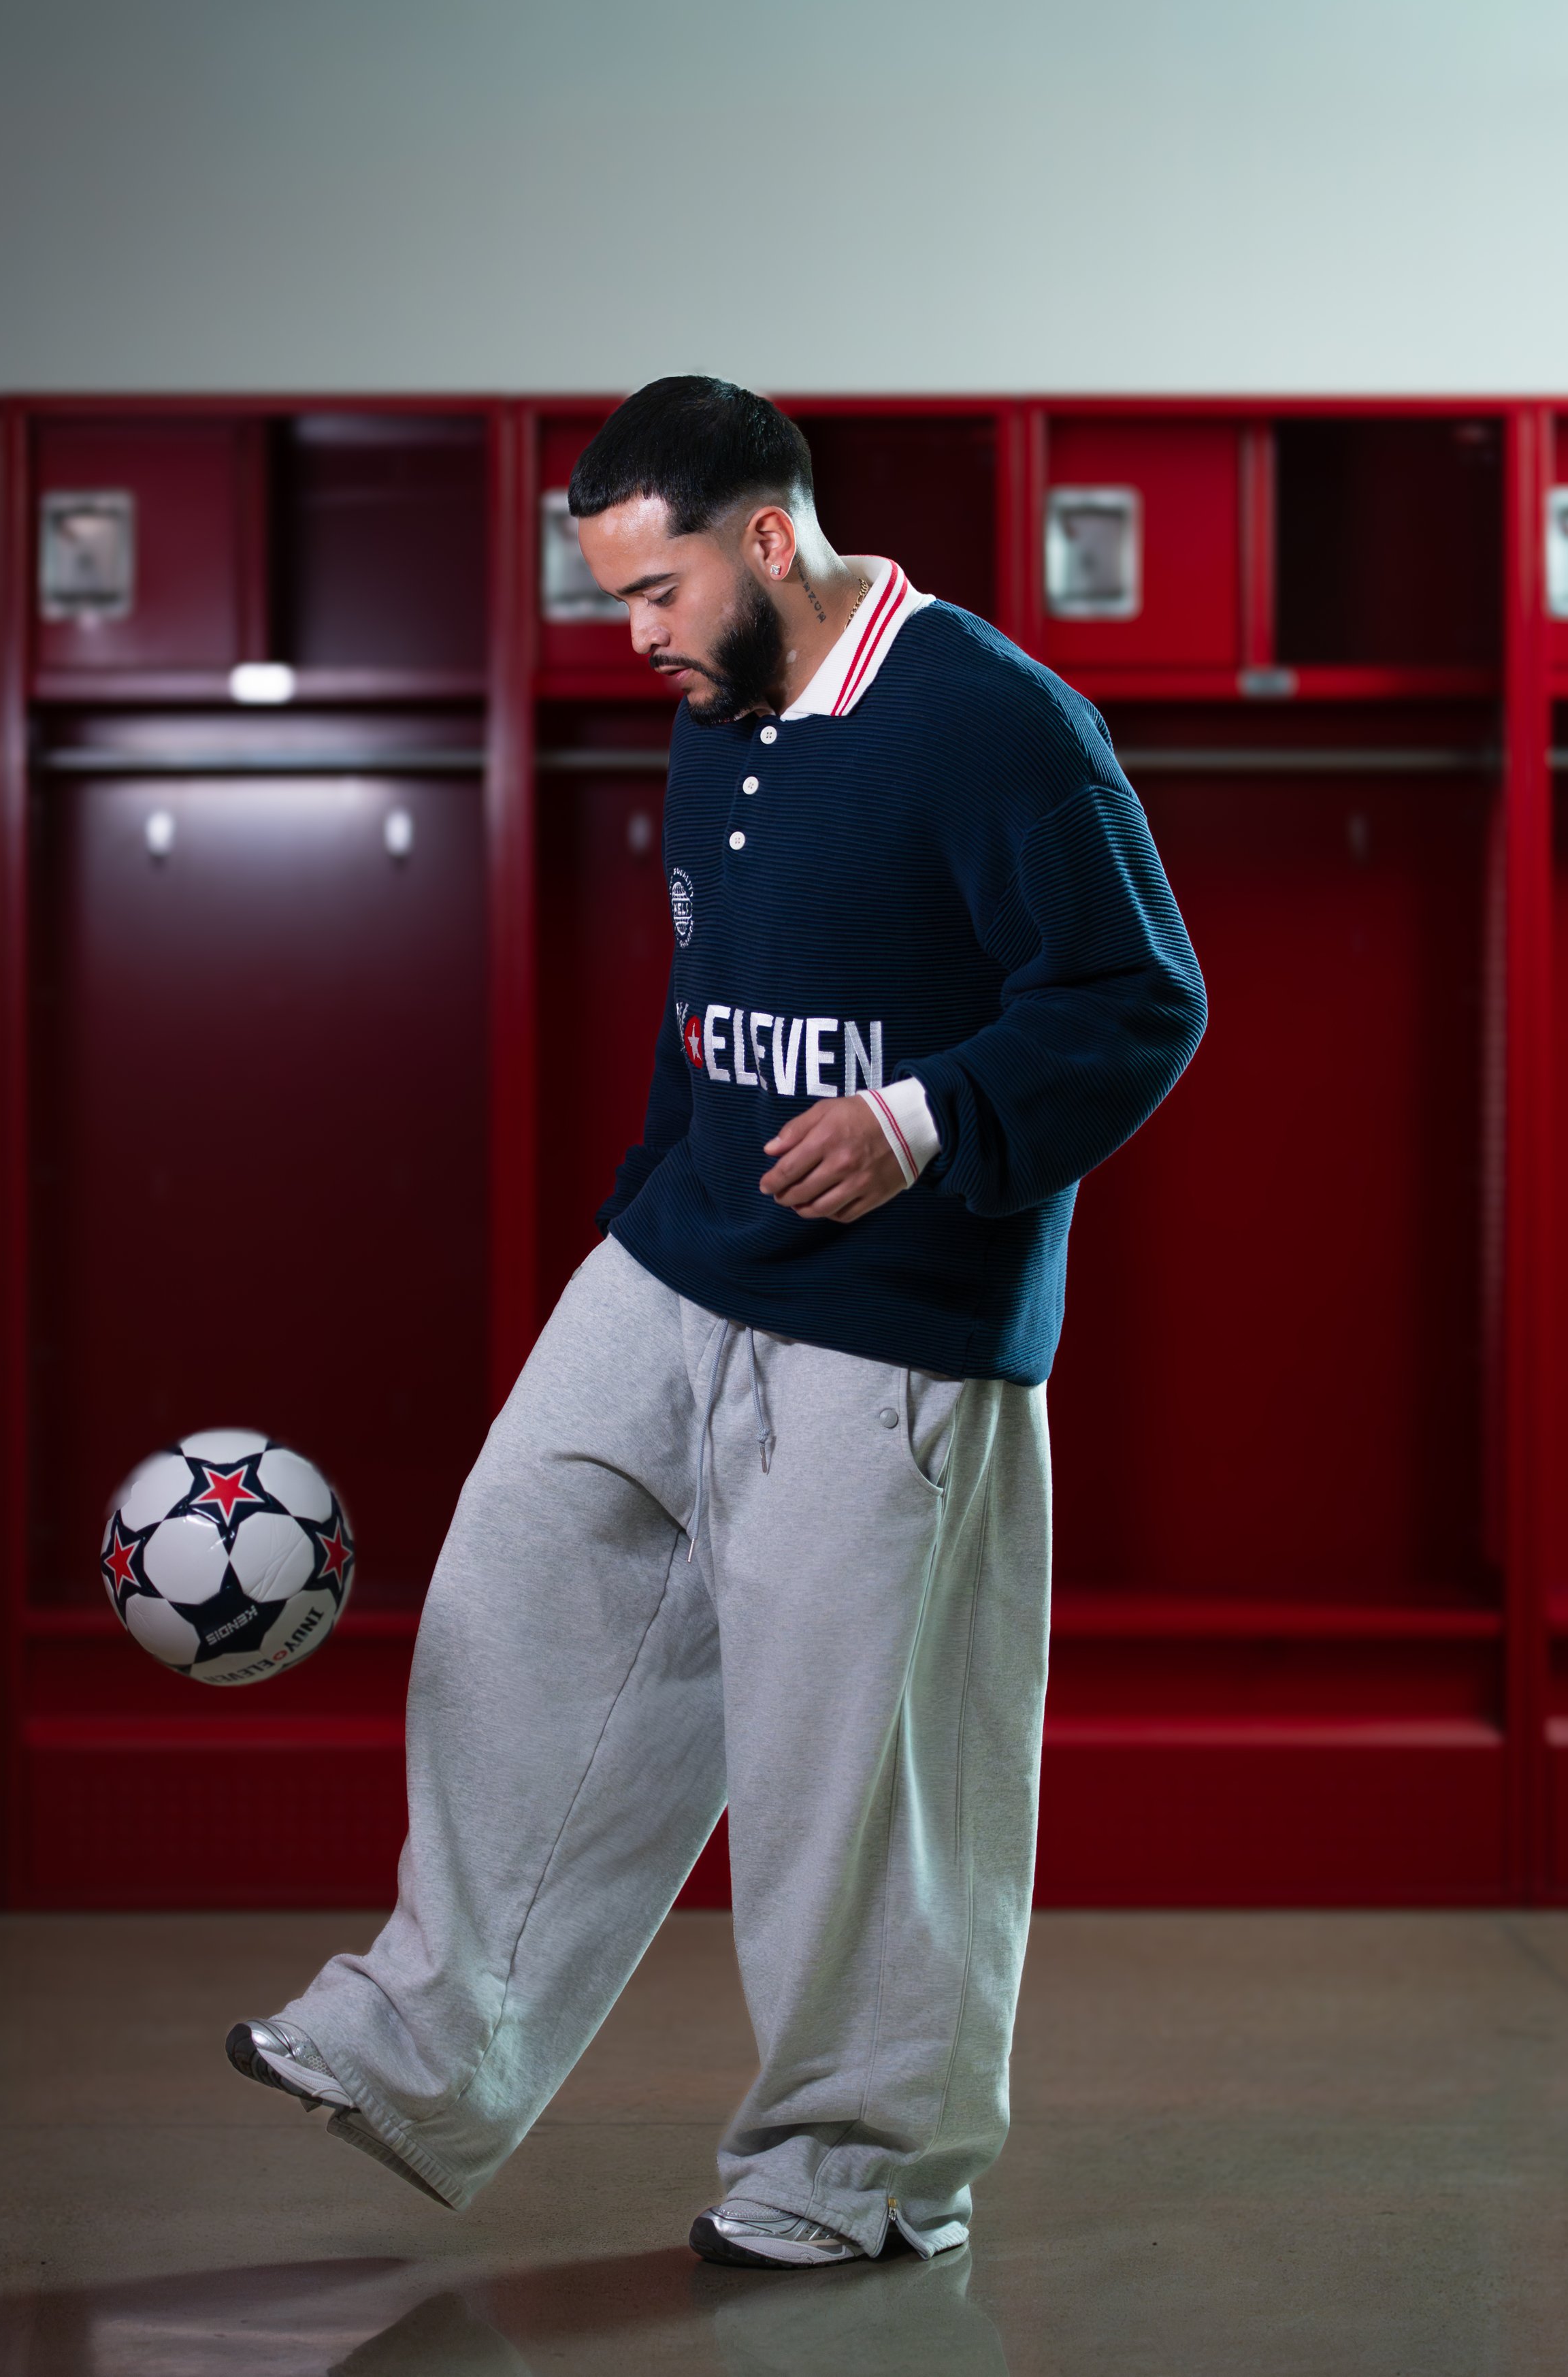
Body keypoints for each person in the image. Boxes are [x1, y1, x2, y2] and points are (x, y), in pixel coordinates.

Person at [227, 376, 1206, 2269]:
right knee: (511, 1599)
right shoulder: (721, 710)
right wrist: (641, 1213)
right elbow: (712, 997)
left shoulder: (997, 728)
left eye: (654, 590)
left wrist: (924, 1123)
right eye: (611, 600)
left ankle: (862, 2176)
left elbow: (1130, 1000)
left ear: (769, 538)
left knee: (855, 1770)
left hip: (896, 1323)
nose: (634, 636)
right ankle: (427, 2046)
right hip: (677, 1264)